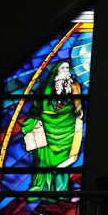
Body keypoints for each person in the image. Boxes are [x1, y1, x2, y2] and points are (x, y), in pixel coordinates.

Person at [21, 61, 83, 199]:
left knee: (65, 160)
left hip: (67, 127)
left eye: (68, 68)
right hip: (47, 126)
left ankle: (60, 191)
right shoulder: (45, 86)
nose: (66, 70)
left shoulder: (74, 86)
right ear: (56, 70)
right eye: (63, 68)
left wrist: (79, 112)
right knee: (43, 159)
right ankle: (40, 188)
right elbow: (38, 105)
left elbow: (78, 106)